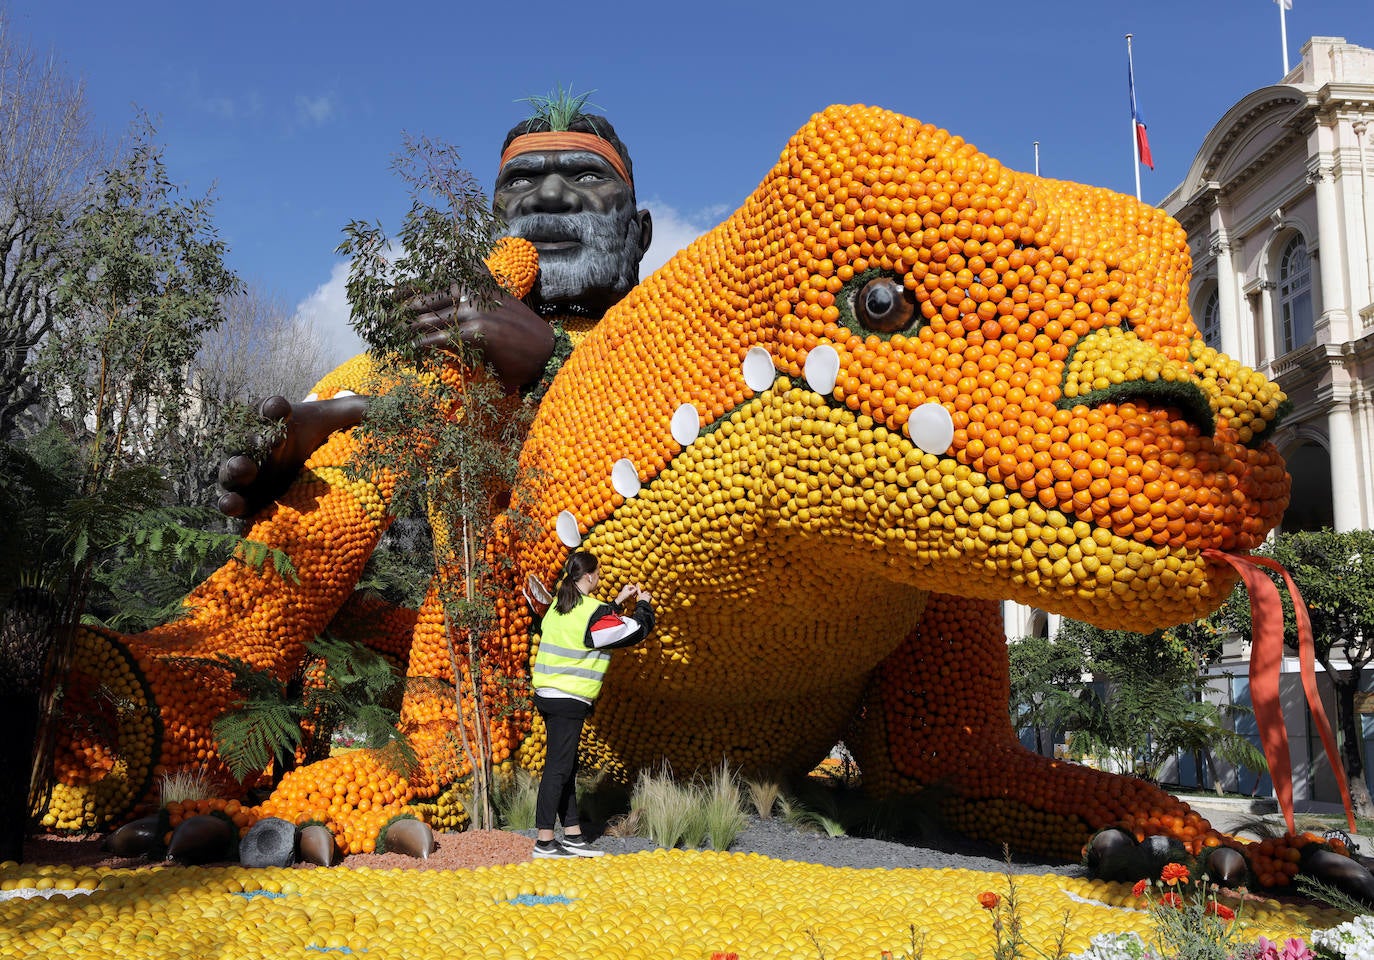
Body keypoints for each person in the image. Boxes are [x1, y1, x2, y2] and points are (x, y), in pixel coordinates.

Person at [217, 105, 653, 517]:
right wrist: (317, 445)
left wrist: (549, 360)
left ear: (641, 232)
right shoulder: (441, 346)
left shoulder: (673, 335)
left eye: (588, 174)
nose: (551, 195)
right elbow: (352, 405)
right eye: (521, 181)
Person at [531, 550, 653, 858]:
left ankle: (572, 834)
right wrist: (643, 605)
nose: (599, 576)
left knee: (565, 766)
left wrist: (616, 602)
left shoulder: (561, 606)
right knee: (558, 769)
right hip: (568, 699)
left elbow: (588, 627)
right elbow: (633, 631)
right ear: (589, 576)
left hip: (548, 695)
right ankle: (544, 841)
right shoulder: (591, 611)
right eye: (597, 572)